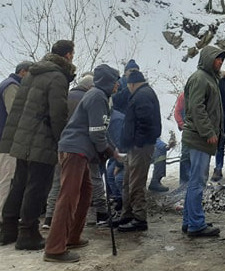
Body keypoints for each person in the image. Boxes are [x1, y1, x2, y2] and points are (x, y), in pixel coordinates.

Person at [0, 40, 75, 249]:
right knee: (37, 187)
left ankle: (7, 229)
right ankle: (28, 233)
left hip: (22, 138)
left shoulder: (33, 73)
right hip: (42, 140)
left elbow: (17, 109)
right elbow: (58, 114)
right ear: (68, 55)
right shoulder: (58, 77)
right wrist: (63, 141)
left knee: (19, 184)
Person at [43, 64, 120, 263]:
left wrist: (111, 149)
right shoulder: (97, 97)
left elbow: (102, 129)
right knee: (68, 197)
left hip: (81, 151)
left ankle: (72, 237)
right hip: (74, 150)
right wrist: (106, 150)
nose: (117, 86)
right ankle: (54, 248)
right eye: (115, 82)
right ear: (107, 82)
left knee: (86, 193)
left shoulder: (100, 96)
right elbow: (96, 132)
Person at [181, 46, 225, 237]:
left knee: (194, 181)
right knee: (197, 182)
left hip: (198, 138)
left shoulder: (209, 78)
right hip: (198, 139)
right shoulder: (200, 78)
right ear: (208, 59)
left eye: (221, 59)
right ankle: (196, 224)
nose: (220, 62)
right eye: (217, 59)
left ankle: (189, 220)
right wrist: (208, 131)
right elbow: (197, 108)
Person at [114, 70, 161, 232]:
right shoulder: (143, 94)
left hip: (140, 147)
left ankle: (139, 218)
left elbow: (145, 122)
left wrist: (138, 142)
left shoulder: (142, 95)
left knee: (136, 183)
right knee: (128, 182)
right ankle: (127, 215)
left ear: (132, 84)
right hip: (134, 146)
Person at [0, 61, 32, 220]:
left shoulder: (6, 84)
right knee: (7, 178)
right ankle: (2, 217)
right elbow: (15, 113)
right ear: (24, 72)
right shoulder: (12, 86)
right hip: (7, 140)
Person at [172, 91, 190, 184]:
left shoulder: (203, 93)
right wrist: (181, 124)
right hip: (188, 129)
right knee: (186, 154)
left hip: (200, 129)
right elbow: (177, 111)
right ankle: (183, 181)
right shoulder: (184, 95)